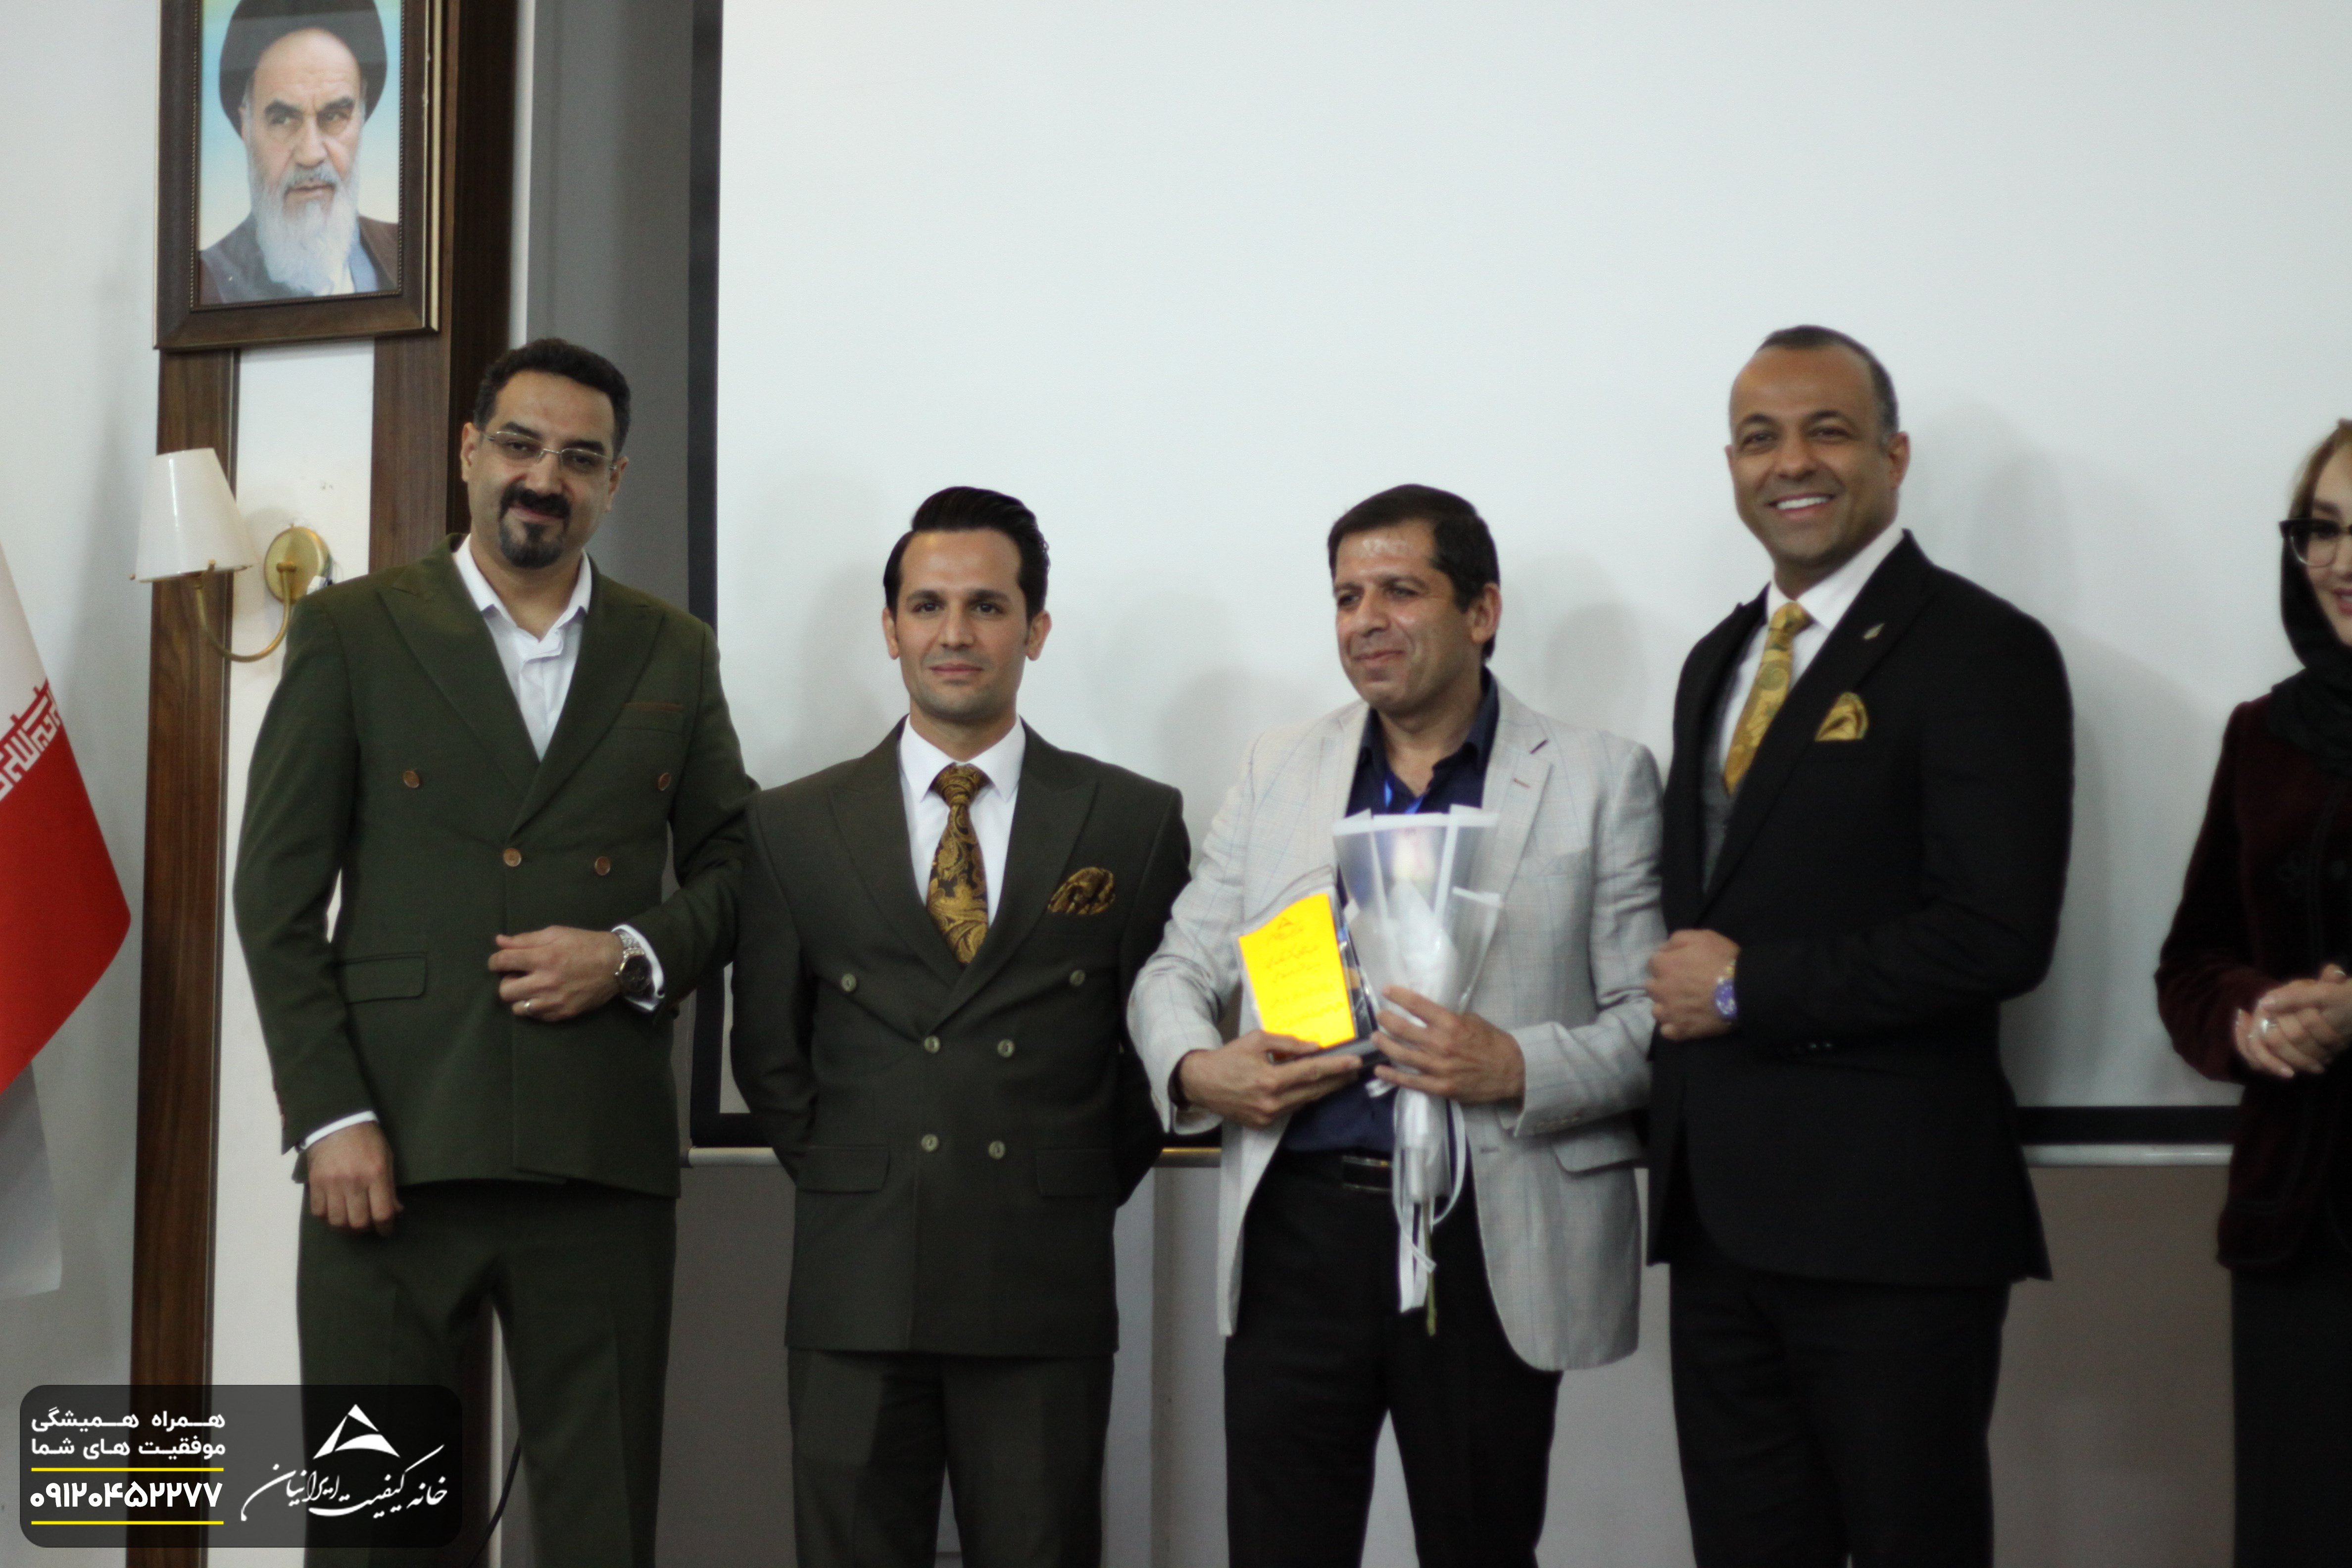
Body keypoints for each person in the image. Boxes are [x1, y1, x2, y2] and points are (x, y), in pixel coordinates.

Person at [234, 338, 752, 1567]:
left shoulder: (673, 648)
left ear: (614, 481)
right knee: (371, 1532)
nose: (543, 478)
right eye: (520, 445)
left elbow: (737, 870)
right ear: (470, 452)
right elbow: (275, 894)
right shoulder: (351, 629)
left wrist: (628, 951)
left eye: (578, 458)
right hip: (387, 1152)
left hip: (600, 1152)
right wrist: (329, 1115)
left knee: (601, 1531)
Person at [1128, 484, 1663, 1568]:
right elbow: (1175, 967)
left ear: (1482, 611)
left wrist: (1517, 1064)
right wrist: (1195, 1067)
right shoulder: (1280, 768)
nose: (1365, 619)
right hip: (1299, 1231)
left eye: (1400, 590)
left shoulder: (1599, 777)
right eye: (1346, 597)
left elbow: (1650, 1020)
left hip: (1486, 1232)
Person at [1644, 326, 2073, 1568]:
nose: (1791, 462)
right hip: (1718, 1223)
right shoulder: (1716, 659)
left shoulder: (1980, 648)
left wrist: (1745, 986)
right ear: (1731, 465)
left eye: (1825, 430)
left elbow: (1995, 934)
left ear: (1893, 454)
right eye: (1758, 438)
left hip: (1891, 1225)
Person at [728, 487, 1190, 1568]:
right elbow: (770, 1053)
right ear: (890, 628)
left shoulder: (1130, 819)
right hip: (856, 1279)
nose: (955, 632)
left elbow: (1156, 1043)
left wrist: (1063, 1181)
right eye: (927, 605)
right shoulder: (791, 824)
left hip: (1042, 1279)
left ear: (1035, 628)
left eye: (987, 606)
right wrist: (859, 1176)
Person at [2156, 419, 2352, 1568]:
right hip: (2300, 1228)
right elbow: (2192, 960)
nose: (2340, 560)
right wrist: (2253, 1016)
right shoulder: (2263, 734)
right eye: (2321, 528)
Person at [200, 0, 399, 303]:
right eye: (283, 120)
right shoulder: (204, 285)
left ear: (360, 118)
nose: (311, 154)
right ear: (246, 126)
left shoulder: (410, 253)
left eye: (334, 116)